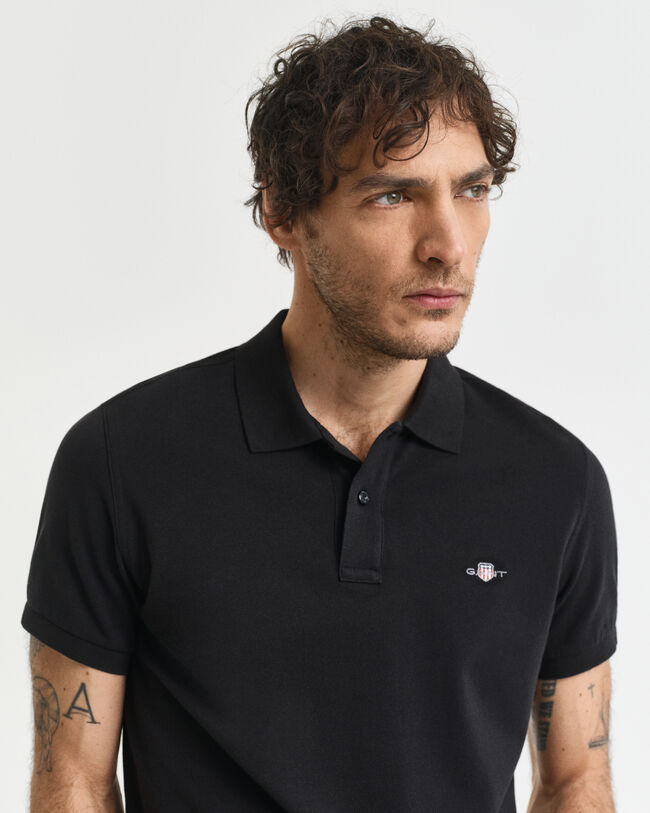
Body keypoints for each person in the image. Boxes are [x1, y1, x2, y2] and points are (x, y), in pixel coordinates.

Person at [22, 15, 618, 813]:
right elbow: (73, 781)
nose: (448, 244)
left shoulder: (556, 481)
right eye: (393, 194)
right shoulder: (121, 460)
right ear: (284, 213)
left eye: (472, 190)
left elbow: (577, 782)